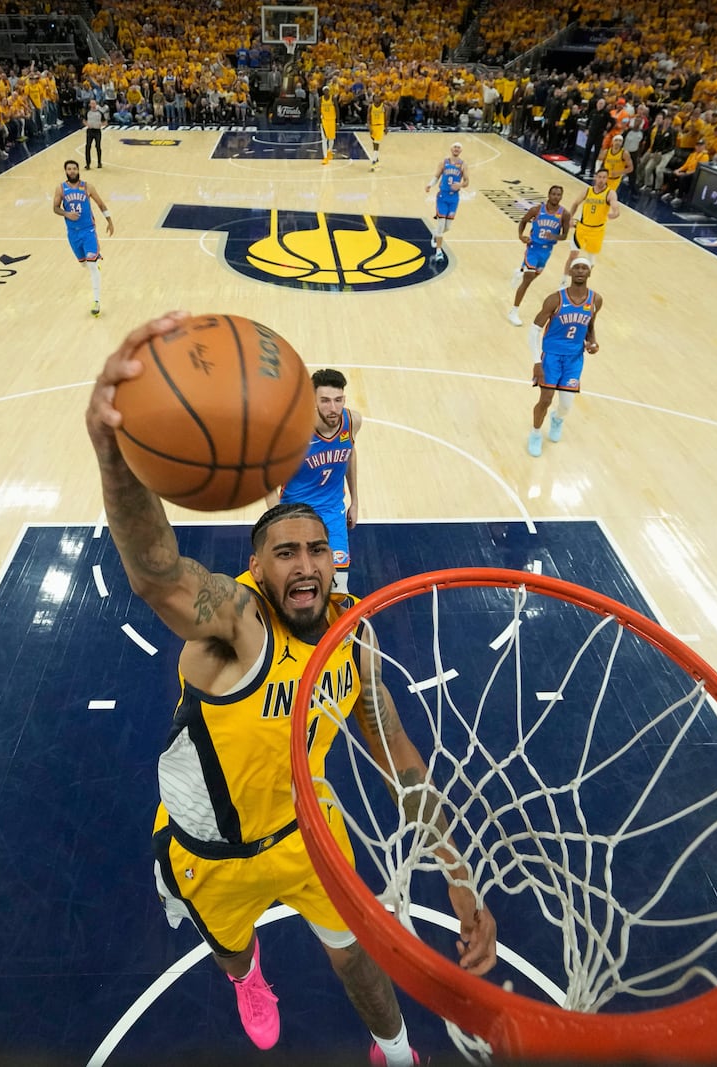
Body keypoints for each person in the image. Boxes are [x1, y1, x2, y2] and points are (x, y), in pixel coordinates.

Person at [84, 312, 496, 1065]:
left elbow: (402, 761)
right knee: (233, 954)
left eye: (317, 550)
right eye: (284, 552)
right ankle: (249, 978)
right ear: (256, 567)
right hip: (209, 849)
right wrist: (114, 452)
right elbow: (156, 573)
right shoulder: (234, 621)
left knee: (357, 955)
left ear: (335, 562)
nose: (304, 564)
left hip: (311, 832)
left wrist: (460, 881)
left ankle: (396, 1052)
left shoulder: (351, 637)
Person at [271, 368, 363, 593]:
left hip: (333, 512)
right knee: (297, 585)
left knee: (338, 588)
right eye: (325, 401)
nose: (333, 408)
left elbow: (350, 453)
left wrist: (355, 501)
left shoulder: (352, 422)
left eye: (338, 400)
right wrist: (276, 518)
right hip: (296, 513)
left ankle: (340, 629)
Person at [528, 258, 602, 457]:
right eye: (576, 267)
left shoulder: (595, 300)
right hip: (551, 356)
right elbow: (534, 331)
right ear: (569, 271)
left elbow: (589, 326)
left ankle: (557, 419)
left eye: (584, 268)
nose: (579, 271)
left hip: (574, 358)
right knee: (545, 399)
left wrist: (592, 342)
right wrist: (537, 362)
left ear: (589, 273)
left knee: (566, 405)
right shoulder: (555, 299)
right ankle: (535, 434)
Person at [52, 160, 113, 317]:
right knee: (84, 264)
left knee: (92, 266)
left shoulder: (87, 187)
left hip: (88, 231)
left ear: (78, 170)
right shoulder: (60, 188)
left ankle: (96, 301)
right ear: (66, 171)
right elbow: (55, 208)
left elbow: (100, 204)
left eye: (74, 168)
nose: (72, 171)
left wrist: (109, 221)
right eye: (69, 169)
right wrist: (67, 214)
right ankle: (94, 263)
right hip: (73, 233)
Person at [508, 184, 569, 326]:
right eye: (553, 194)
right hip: (533, 248)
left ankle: (520, 273)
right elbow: (523, 221)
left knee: (532, 276)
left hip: (546, 251)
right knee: (528, 279)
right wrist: (521, 236)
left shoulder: (564, 214)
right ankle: (514, 311)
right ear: (548, 195)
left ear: (561, 196)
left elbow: (565, 235)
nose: (555, 196)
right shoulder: (536, 210)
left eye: (558, 194)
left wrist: (555, 236)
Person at [566, 170, 619, 272]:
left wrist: (615, 213)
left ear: (607, 179)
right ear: (595, 177)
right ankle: (564, 282)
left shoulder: (610, 193)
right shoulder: (587, 190)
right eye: (599, 177)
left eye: (604, 177)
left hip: (597, 231)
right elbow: (575, 203)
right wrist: (570, 217)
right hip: (582, 227)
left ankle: (580, 282)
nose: (601, 180)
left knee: (590, 262)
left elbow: (615, 206)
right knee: (573, 255)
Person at [425, 142, 467, 262]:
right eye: (455, 147)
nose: (456, 149)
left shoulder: (463, 165)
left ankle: (435, 233)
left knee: (447, 227)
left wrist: (461, 184)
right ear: (451, 149)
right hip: (442, 197)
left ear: (461, 151)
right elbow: (436, 176)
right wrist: (429, 185)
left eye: (459, 147)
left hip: (454, 198)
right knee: (441, 224)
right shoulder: (444, 162)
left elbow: (467, 181)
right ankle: (439, 251)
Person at [84, 97, 107, 169]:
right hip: (90, 131)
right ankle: (88, 164)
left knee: (98, 146)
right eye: (92, 103)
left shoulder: (100, 113)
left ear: (96, 104)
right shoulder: (87, 112)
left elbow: (105, 122)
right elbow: (84, 120)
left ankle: (99, 162)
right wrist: (87, 124)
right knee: (88, 146)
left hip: (97, 131)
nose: (93, 105)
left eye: (94, 103)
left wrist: (101, 125)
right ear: (90, 104)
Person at [367, 95, 386, 170]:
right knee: (374, 143)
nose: (377, 98)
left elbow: (386, 116)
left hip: (380, 126)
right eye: (376, 97)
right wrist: (369, 127)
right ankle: (377, 159)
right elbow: (368, 118)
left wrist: (386, 127)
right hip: (373, 126)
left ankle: (373, 161)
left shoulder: (383, 106)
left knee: (377, 143)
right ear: (373, 99)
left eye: (378, 97)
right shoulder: (371, 107)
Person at [320, 88, 338, 166]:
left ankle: (329, 151)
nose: (326, 91)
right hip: (324, 121)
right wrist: (318, 122)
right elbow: (318, 109)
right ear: (323, 92)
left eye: (327, 90)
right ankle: (325, 157)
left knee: (331, 139)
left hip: (332, 120)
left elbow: (337, 109)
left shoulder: (333, 98)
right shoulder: (320, 99)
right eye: (325, 90)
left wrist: (338, 122)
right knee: (324, 139)